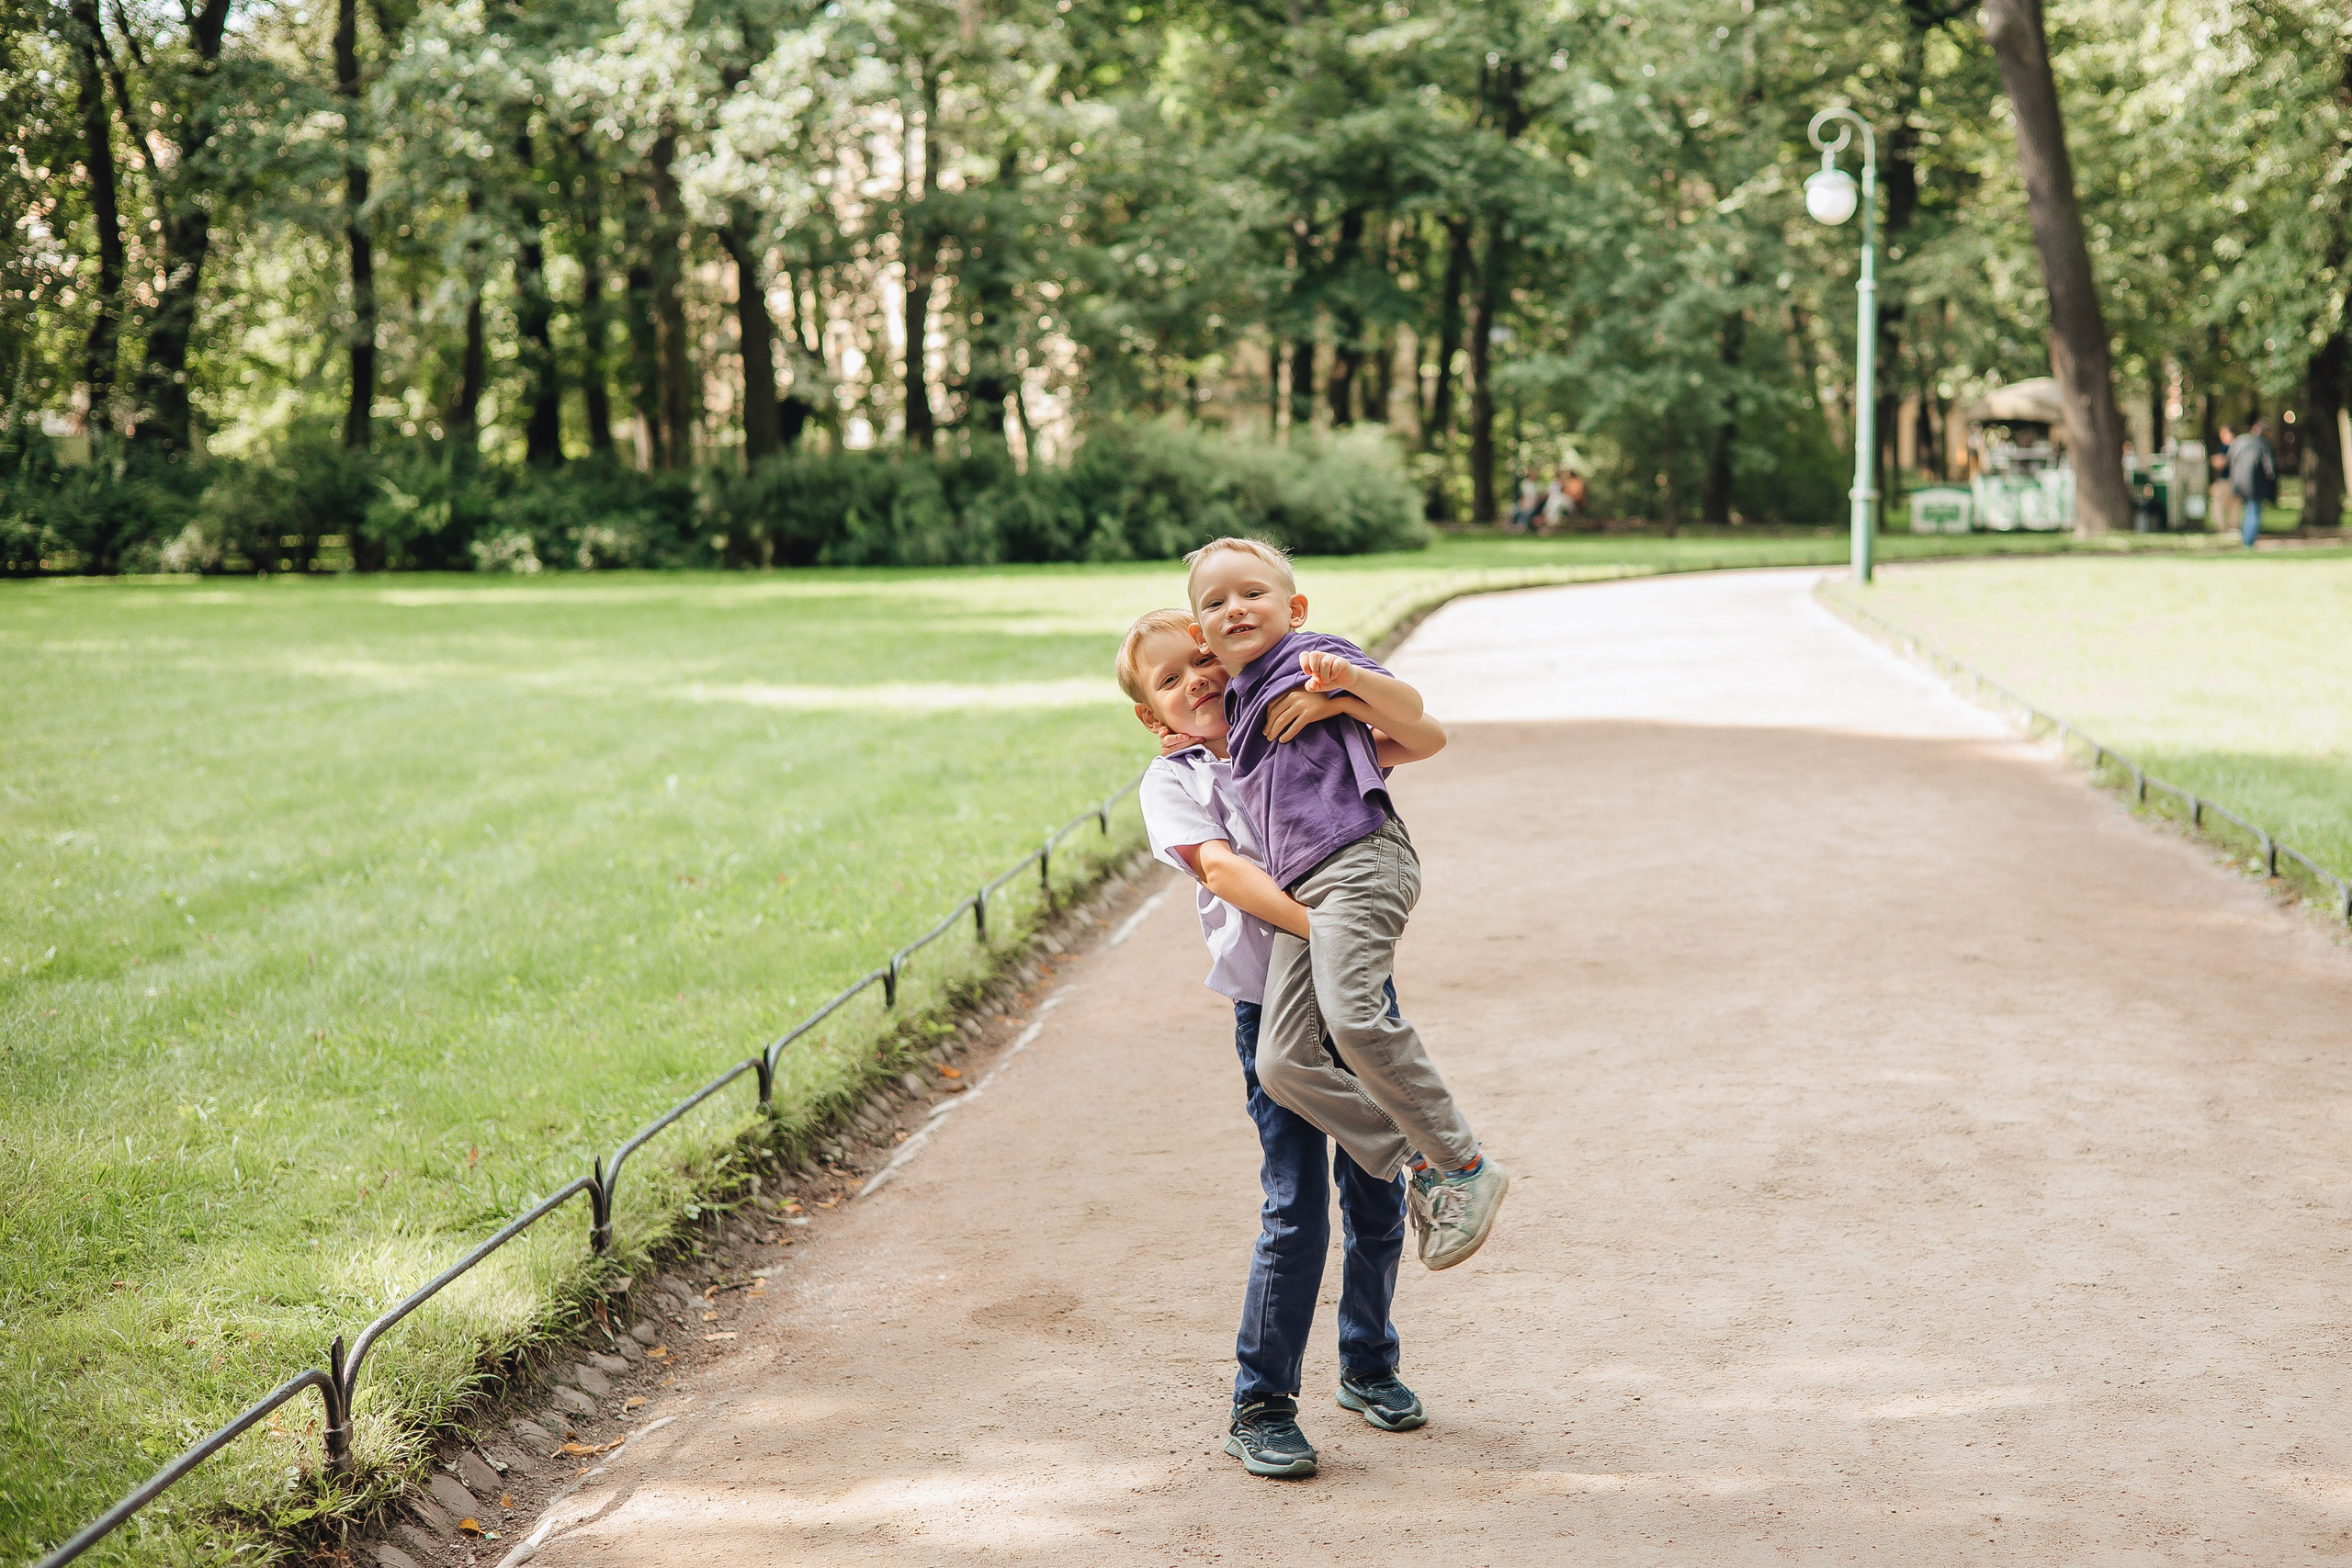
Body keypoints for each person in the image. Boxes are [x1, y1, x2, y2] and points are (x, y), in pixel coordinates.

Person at [1118, 608, 1449, 1480]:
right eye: (1169, 677)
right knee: (1296, 1204)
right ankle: (1261, 1400)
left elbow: (1416, 737)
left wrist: (1343, 691)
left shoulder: (1291, 724)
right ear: (1156, 720)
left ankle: (1369, 1361)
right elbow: (1225, 870)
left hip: (1353, 996)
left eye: (1201, 656)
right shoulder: (1173, 784)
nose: (1195, 675)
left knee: (1371, 1198)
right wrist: (1329, 929)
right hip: (1272, 1006)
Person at [1183, 536, 1510, 1277]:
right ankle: (1422, 1171)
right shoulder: (1239, 704)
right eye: (1215, 602)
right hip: (1304, 890)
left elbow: (1412, 714)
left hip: (1361, 857)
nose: (1235, 607)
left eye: (1252, 592)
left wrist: (1341, 688)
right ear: (1202, 633)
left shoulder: (1310, 654)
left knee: (1355, 1015)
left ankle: (1464, 1163)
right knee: (1283, 1060)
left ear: (1292, 607)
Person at [2227, 419, 2278, 548]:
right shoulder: (2264, 445)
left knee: (2247, 509)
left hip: (2238, 482)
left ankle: (2245, 537)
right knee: (2253, 510)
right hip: (2254, 484)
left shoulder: (2239, 441)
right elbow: (2270, 469)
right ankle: (2248, 541)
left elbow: (2230, 460)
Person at [2210, 426, 2239, 536]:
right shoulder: (2239, 446)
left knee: (2218, 506)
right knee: (2234, 507)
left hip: (2226, 481)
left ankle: (2222, 529)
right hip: (2237, 481)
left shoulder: (2226, 447)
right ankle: (2234, 529)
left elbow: (2221, 463)